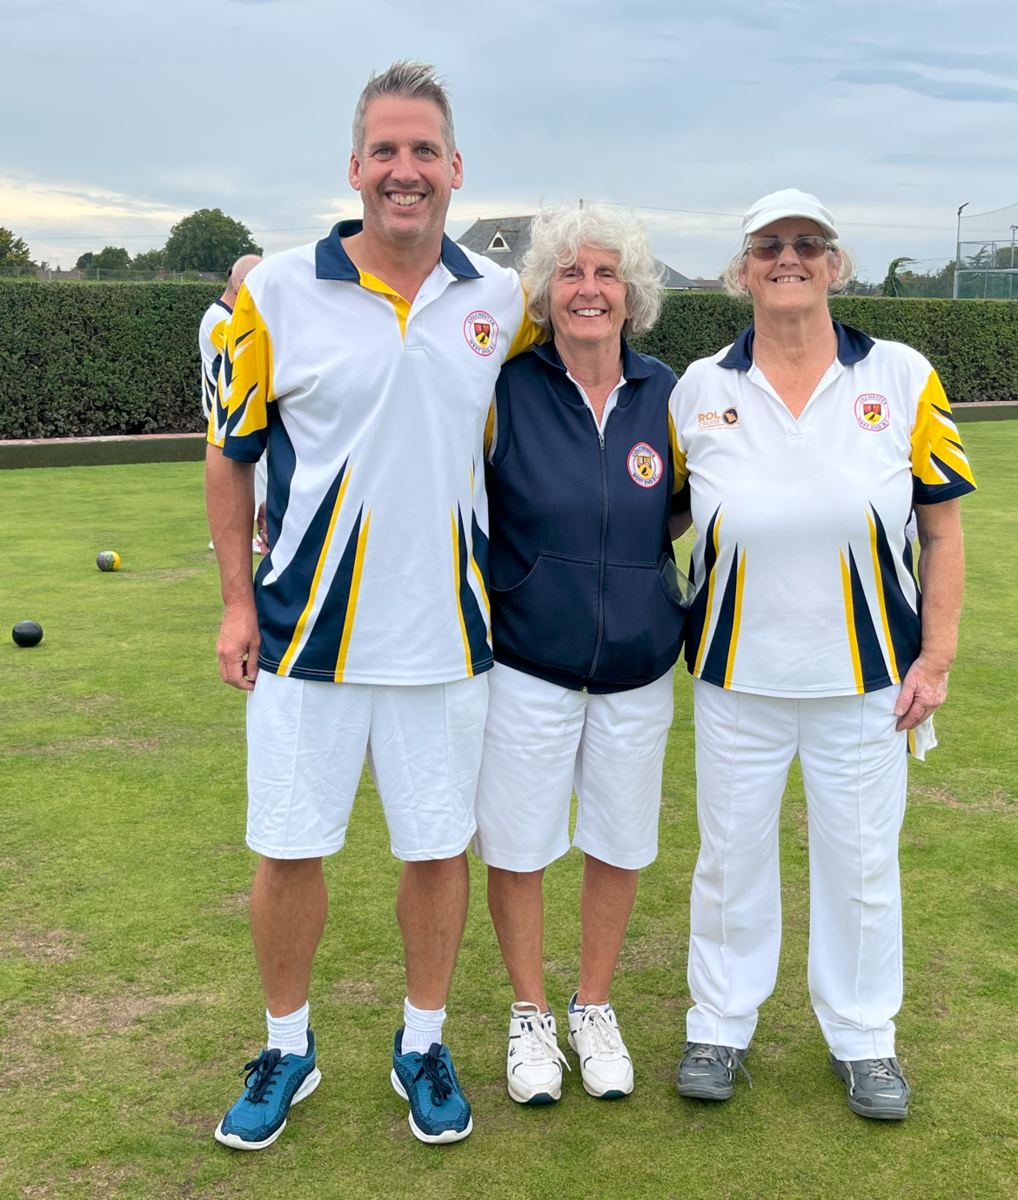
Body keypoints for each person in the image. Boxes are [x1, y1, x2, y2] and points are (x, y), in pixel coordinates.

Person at [205, 59, 540, 1149]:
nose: (405, 170)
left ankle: (422, 1041)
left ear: (455, 170)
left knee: (436, 850)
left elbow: (581, 363)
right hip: (305, 634)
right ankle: (287, 1048)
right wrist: (234, 604)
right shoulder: (276, 291)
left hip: (446, 638)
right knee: (288, 849)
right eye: (385, 151)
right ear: (355, 168)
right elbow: (230, 459)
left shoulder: (499, 299)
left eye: (424, 151)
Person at [668, 189, 976, 1119]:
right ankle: (719, 1025)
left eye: (808, 245)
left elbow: (943, 530)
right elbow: (656, 516)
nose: (788, 259)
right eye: (769, 246)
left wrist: (938, 656)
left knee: (861, 862)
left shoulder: (904, 374)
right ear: (743, 269)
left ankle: (865, 1040)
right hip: (734, 678)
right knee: (728, 859)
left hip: (866, 681)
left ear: (836, 265)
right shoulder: (699, 388)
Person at [472, 205, 689, 1105]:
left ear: (632, 296)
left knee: (620, 842)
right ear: (546, 293)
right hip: (528, 661)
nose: (589, 289)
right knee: (519, 847)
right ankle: (530, 1017)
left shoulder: (668, 393)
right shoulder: (506, 387)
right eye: (570, 274)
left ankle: (592, 1006)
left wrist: (637, 578)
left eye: (606, 275)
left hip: (638, 666)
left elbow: (685, 506)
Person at [199, 255, 265, 553]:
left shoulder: (235, 316)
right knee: (241, 473)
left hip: (241, 411)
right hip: (226, 413)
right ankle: (227, 536)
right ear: (241, 287)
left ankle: (252, 531)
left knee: (260, 470)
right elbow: (249, 352)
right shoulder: (219, 319)